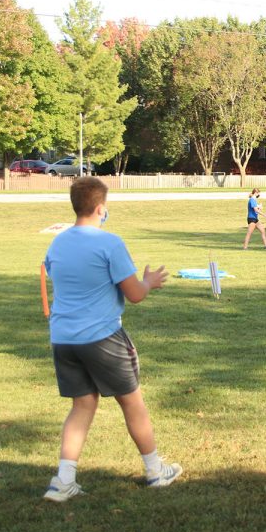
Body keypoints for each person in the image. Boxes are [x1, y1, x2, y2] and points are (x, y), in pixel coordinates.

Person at [42, 177, 181, 502]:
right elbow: (134, 295)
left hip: (63, 338)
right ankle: (155, 471)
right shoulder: (109, 243)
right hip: (102, 337)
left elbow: (58, 275)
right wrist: (148, 282)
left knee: (83, 404)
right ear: (101, 208)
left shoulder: (58, 243)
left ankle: (63, 481)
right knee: (132, 402)